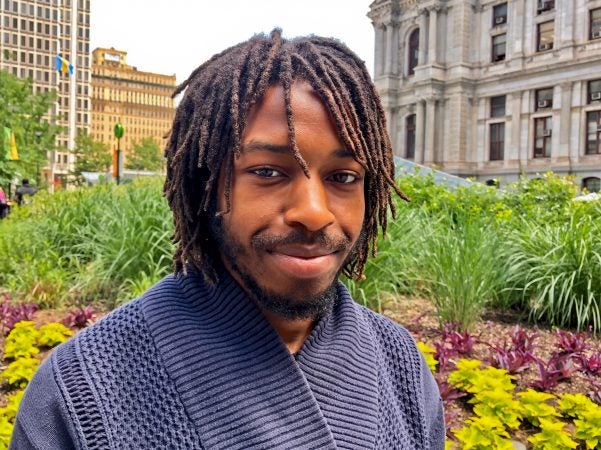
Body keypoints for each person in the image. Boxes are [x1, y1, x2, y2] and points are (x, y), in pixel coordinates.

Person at [11, 30, 445, 449]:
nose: (314, 212)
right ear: (206, 185)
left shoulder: (400, 364)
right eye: (267, 172)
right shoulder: (81, 392)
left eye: (343, 177)